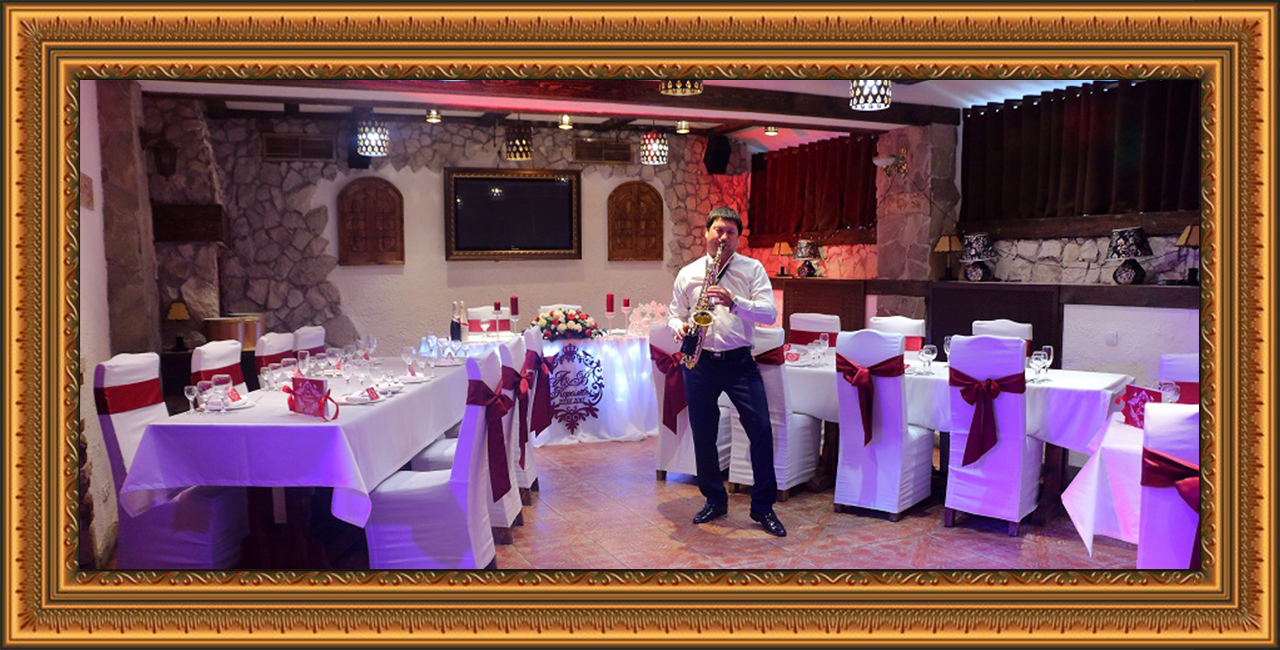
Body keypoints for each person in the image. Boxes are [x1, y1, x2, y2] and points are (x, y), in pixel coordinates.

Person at [668, 207, 785, 537]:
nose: (723, 237)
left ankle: (763, 506)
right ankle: (714, 499)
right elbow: (675, 313)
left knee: (760, 430)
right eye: (718, 230)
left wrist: (735, 303)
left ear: (737, 238)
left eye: (730, 232)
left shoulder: (752, 269)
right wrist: (679, 327)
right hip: (700, 362)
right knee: (703, 434)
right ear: (706, 233)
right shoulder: (689, 273)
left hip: (739, 363)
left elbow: (769, 314)